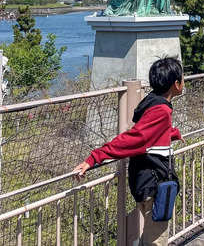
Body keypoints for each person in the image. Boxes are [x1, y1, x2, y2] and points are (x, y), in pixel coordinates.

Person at [72, 57, 184, 246]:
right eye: (182, 78)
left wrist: (172, 133)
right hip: (153, 183)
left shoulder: (151, 103)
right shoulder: (161, 111)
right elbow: (134, 139)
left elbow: (149, 134)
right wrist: (94, 157)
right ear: (175, 84)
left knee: (149, 237)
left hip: (145, 180)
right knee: (156, 241)